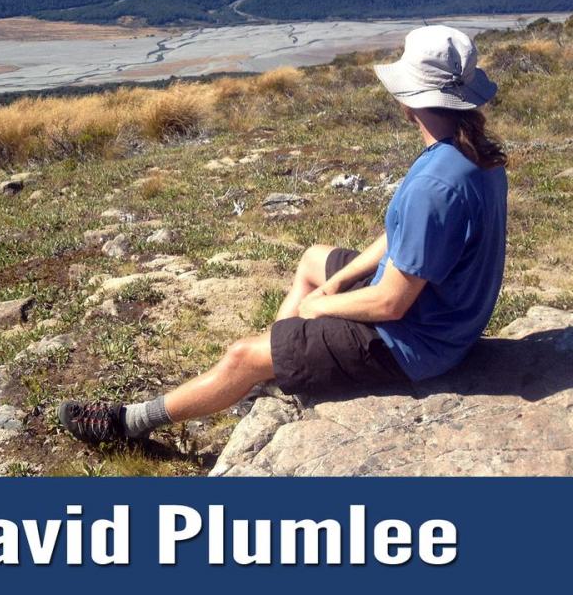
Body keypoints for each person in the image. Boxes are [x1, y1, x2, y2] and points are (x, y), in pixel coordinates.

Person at [57, 25, 508, 446]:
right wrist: (334, 280)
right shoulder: (471, 154)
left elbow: (391, 303)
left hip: (414, 345)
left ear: (408, 98)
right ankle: (277, 366)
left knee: (240, 356)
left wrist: (318, 306)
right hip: (447, 317)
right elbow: (400, 238)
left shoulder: (434, 185)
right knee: (314, 259)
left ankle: (130, 424)